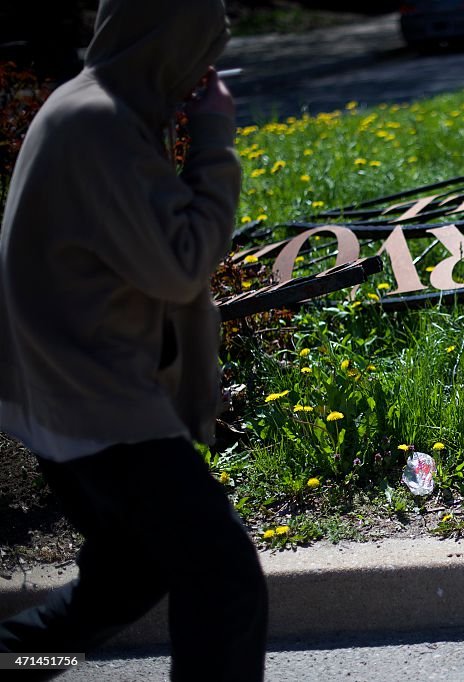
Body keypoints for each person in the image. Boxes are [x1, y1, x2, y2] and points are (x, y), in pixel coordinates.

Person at [0, 1, 267, 679]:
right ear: (165, 38)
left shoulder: (92, 109)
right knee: (225, 581)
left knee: (124, 582)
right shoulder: (99, 124)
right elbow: (181, 265)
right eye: (200, 46)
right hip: (102, 411)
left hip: (74, 403)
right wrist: (213, 138)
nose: (204, 68)